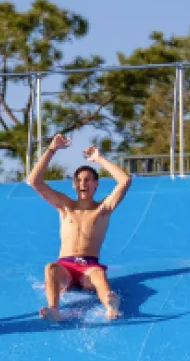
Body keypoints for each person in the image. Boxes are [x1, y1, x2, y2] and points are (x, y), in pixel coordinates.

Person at [27, 134, 133, 321]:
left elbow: (124, 181)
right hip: (65, 266)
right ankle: (54, 309)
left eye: (88, 180)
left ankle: (110, 305)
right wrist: (52, 149)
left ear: (96, 184)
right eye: (79, 180)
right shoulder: (65, 206)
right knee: (50, 267)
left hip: (89, 267)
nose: (83, 184)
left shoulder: (103, 209)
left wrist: (99, 159)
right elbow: (34, 181)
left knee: (99, 274)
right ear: (75, 185)